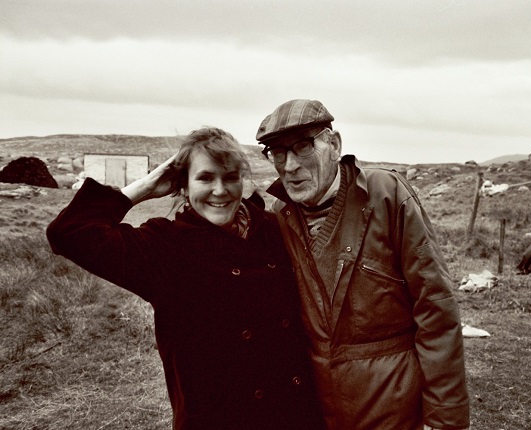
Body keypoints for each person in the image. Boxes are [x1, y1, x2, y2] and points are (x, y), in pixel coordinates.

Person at [47, 127, 324, 430]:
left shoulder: (273, 230)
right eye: (205, 178)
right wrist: (146, 186)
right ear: (183, 184)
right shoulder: (166, 247)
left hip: (294, 415)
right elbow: (70, 232)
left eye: (230, 177)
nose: (220, 190)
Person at [256, 100, 470, 430]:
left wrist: (445, 422)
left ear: (334, 143)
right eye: (277, 152)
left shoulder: (387, 195)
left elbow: (436, 311)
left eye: (302, 146)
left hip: (393, 408)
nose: (289, 165)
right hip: (317, 410)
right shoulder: (279, 215)